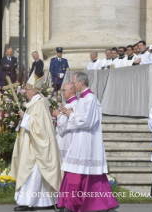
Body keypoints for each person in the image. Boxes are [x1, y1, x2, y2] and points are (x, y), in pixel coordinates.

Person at [58, 72, 119, 212]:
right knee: (77, 171)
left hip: (86, 141)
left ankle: (75, 204)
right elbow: (80, 118)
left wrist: (70, 115)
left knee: (81, 172)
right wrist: (71, 113)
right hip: (79, 139)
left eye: (73, 83)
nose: (72, 86)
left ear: (81, 83)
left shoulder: (90, 99)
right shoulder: (81, 99)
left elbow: (87, 121)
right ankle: (72, 203)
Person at [10, 67, 62, 211]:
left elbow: (41, 129)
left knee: (33, 172)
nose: (25, 91)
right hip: (32, 143)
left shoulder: (39, 103)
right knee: (36, 173)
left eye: (27, 89)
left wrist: (24, 118)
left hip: (37, 147)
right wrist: (24, 120)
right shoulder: (35, 103)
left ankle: (29, 203)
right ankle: (43, 202)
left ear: (34, 90)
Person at [51, 82, 77, 160]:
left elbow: (63, 127)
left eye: (64, 90)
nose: (62, 92)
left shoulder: (71, 105)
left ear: (72, 90)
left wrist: (58, 115)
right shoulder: (73, 103)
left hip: (66, 138)